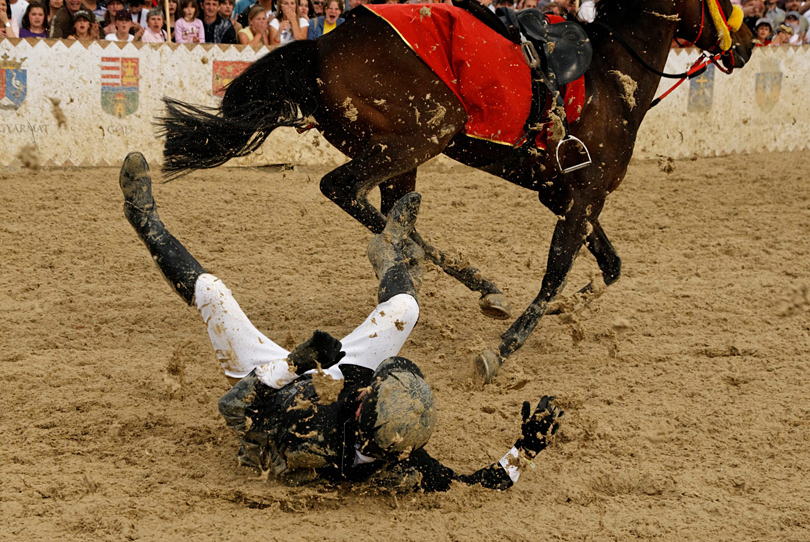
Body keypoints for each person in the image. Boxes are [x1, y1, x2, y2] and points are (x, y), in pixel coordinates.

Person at [118, 152, 563, 492]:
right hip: (322, 385)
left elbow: (234, 408)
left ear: (362, 411)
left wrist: (295, 363)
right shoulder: (398, 449)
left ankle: (145, 220)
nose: (371, 382)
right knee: (406, 308)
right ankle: (387, 247)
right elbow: (476, 483)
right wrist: (526, 450)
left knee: (213, 294)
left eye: (373, 388)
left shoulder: (305, 436)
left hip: (271, 389)